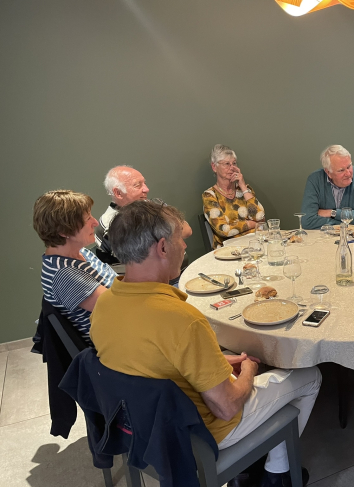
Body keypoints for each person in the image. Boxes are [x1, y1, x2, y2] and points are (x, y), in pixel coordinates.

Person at [90, 200, 321, 487]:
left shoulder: (105, 305)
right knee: (310, 375)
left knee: (230, 358)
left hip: (140, 427)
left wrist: (220, 362)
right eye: (179, 240)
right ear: (162, 248)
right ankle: (277, 474)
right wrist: (248, 369)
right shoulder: (182, 319)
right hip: (201, 434)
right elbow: (227, 407)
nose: (184, 247)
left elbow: (154, 362)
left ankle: (255, 469)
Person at [33, 190, 117, 345]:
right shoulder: (65, 274)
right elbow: (116, 308)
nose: (95, 222)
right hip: (112, 343)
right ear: (64, 231)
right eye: (87, 219)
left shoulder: (80, 252)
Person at [96, 165, 192, 264]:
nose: (146, 189)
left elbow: (187, 231)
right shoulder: (112, 224)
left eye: (144, 183)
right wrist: (171, 232)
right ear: (118, 193)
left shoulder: (152, 204)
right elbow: (147, 261)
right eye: (138, 185)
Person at [203, 144, 266, 248]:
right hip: (229, 250)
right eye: (227, 164)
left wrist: (242, 186)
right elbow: (224, 230)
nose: (232, 168)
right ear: (214, 167)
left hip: (255, 245)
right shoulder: (209, 196)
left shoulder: (246, 191)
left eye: (234, 163)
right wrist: (251, 224)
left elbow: (260, 218)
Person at [300, 144, 354, 229]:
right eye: (341, 170)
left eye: (349, 166)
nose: (348, 173)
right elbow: (307, 221)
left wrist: (332, 213)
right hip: (323, 238)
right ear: (328, 172)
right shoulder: (314, 180)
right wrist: (344, 224)